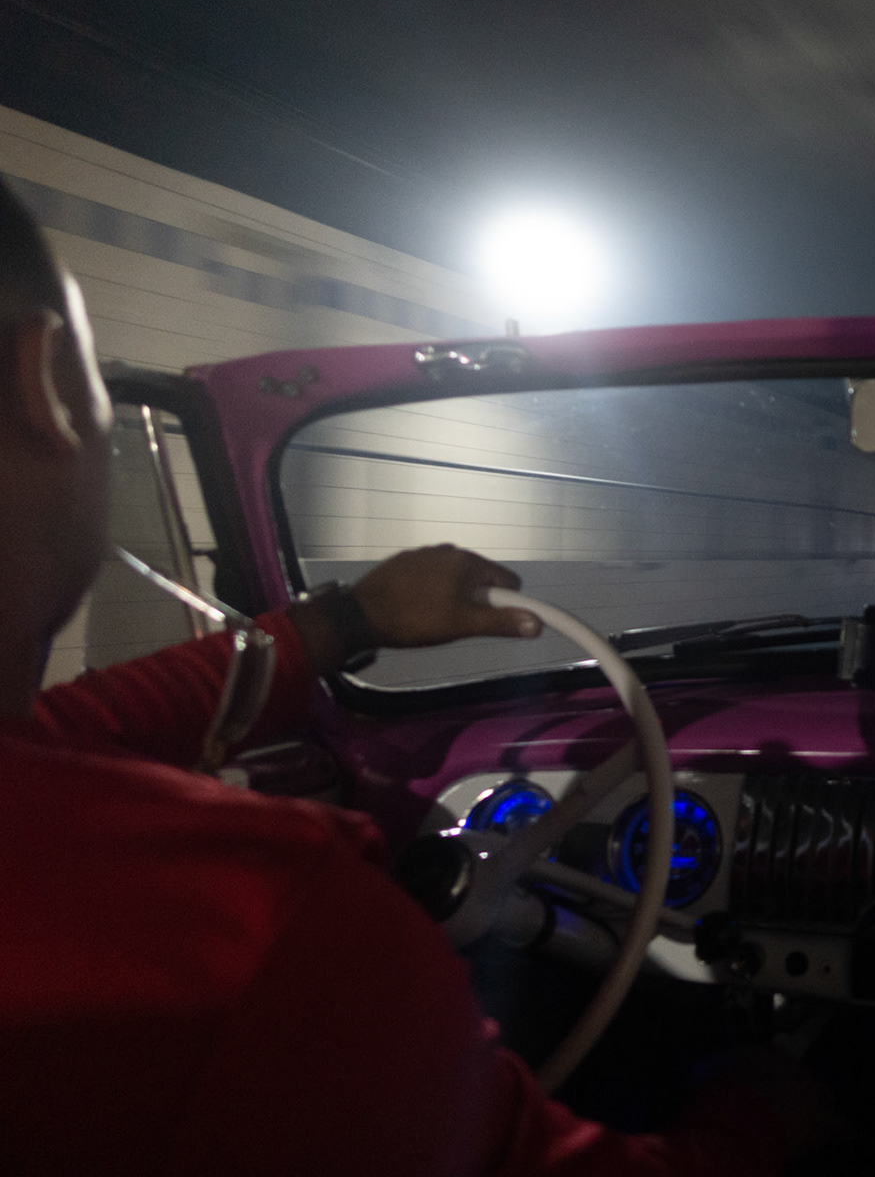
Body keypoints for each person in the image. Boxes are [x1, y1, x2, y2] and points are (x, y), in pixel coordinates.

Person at [0, 178, 816, 1175]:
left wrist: (347, 620)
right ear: (45, 381)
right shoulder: (249, 915)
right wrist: (764, 1104)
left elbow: (81, 726)